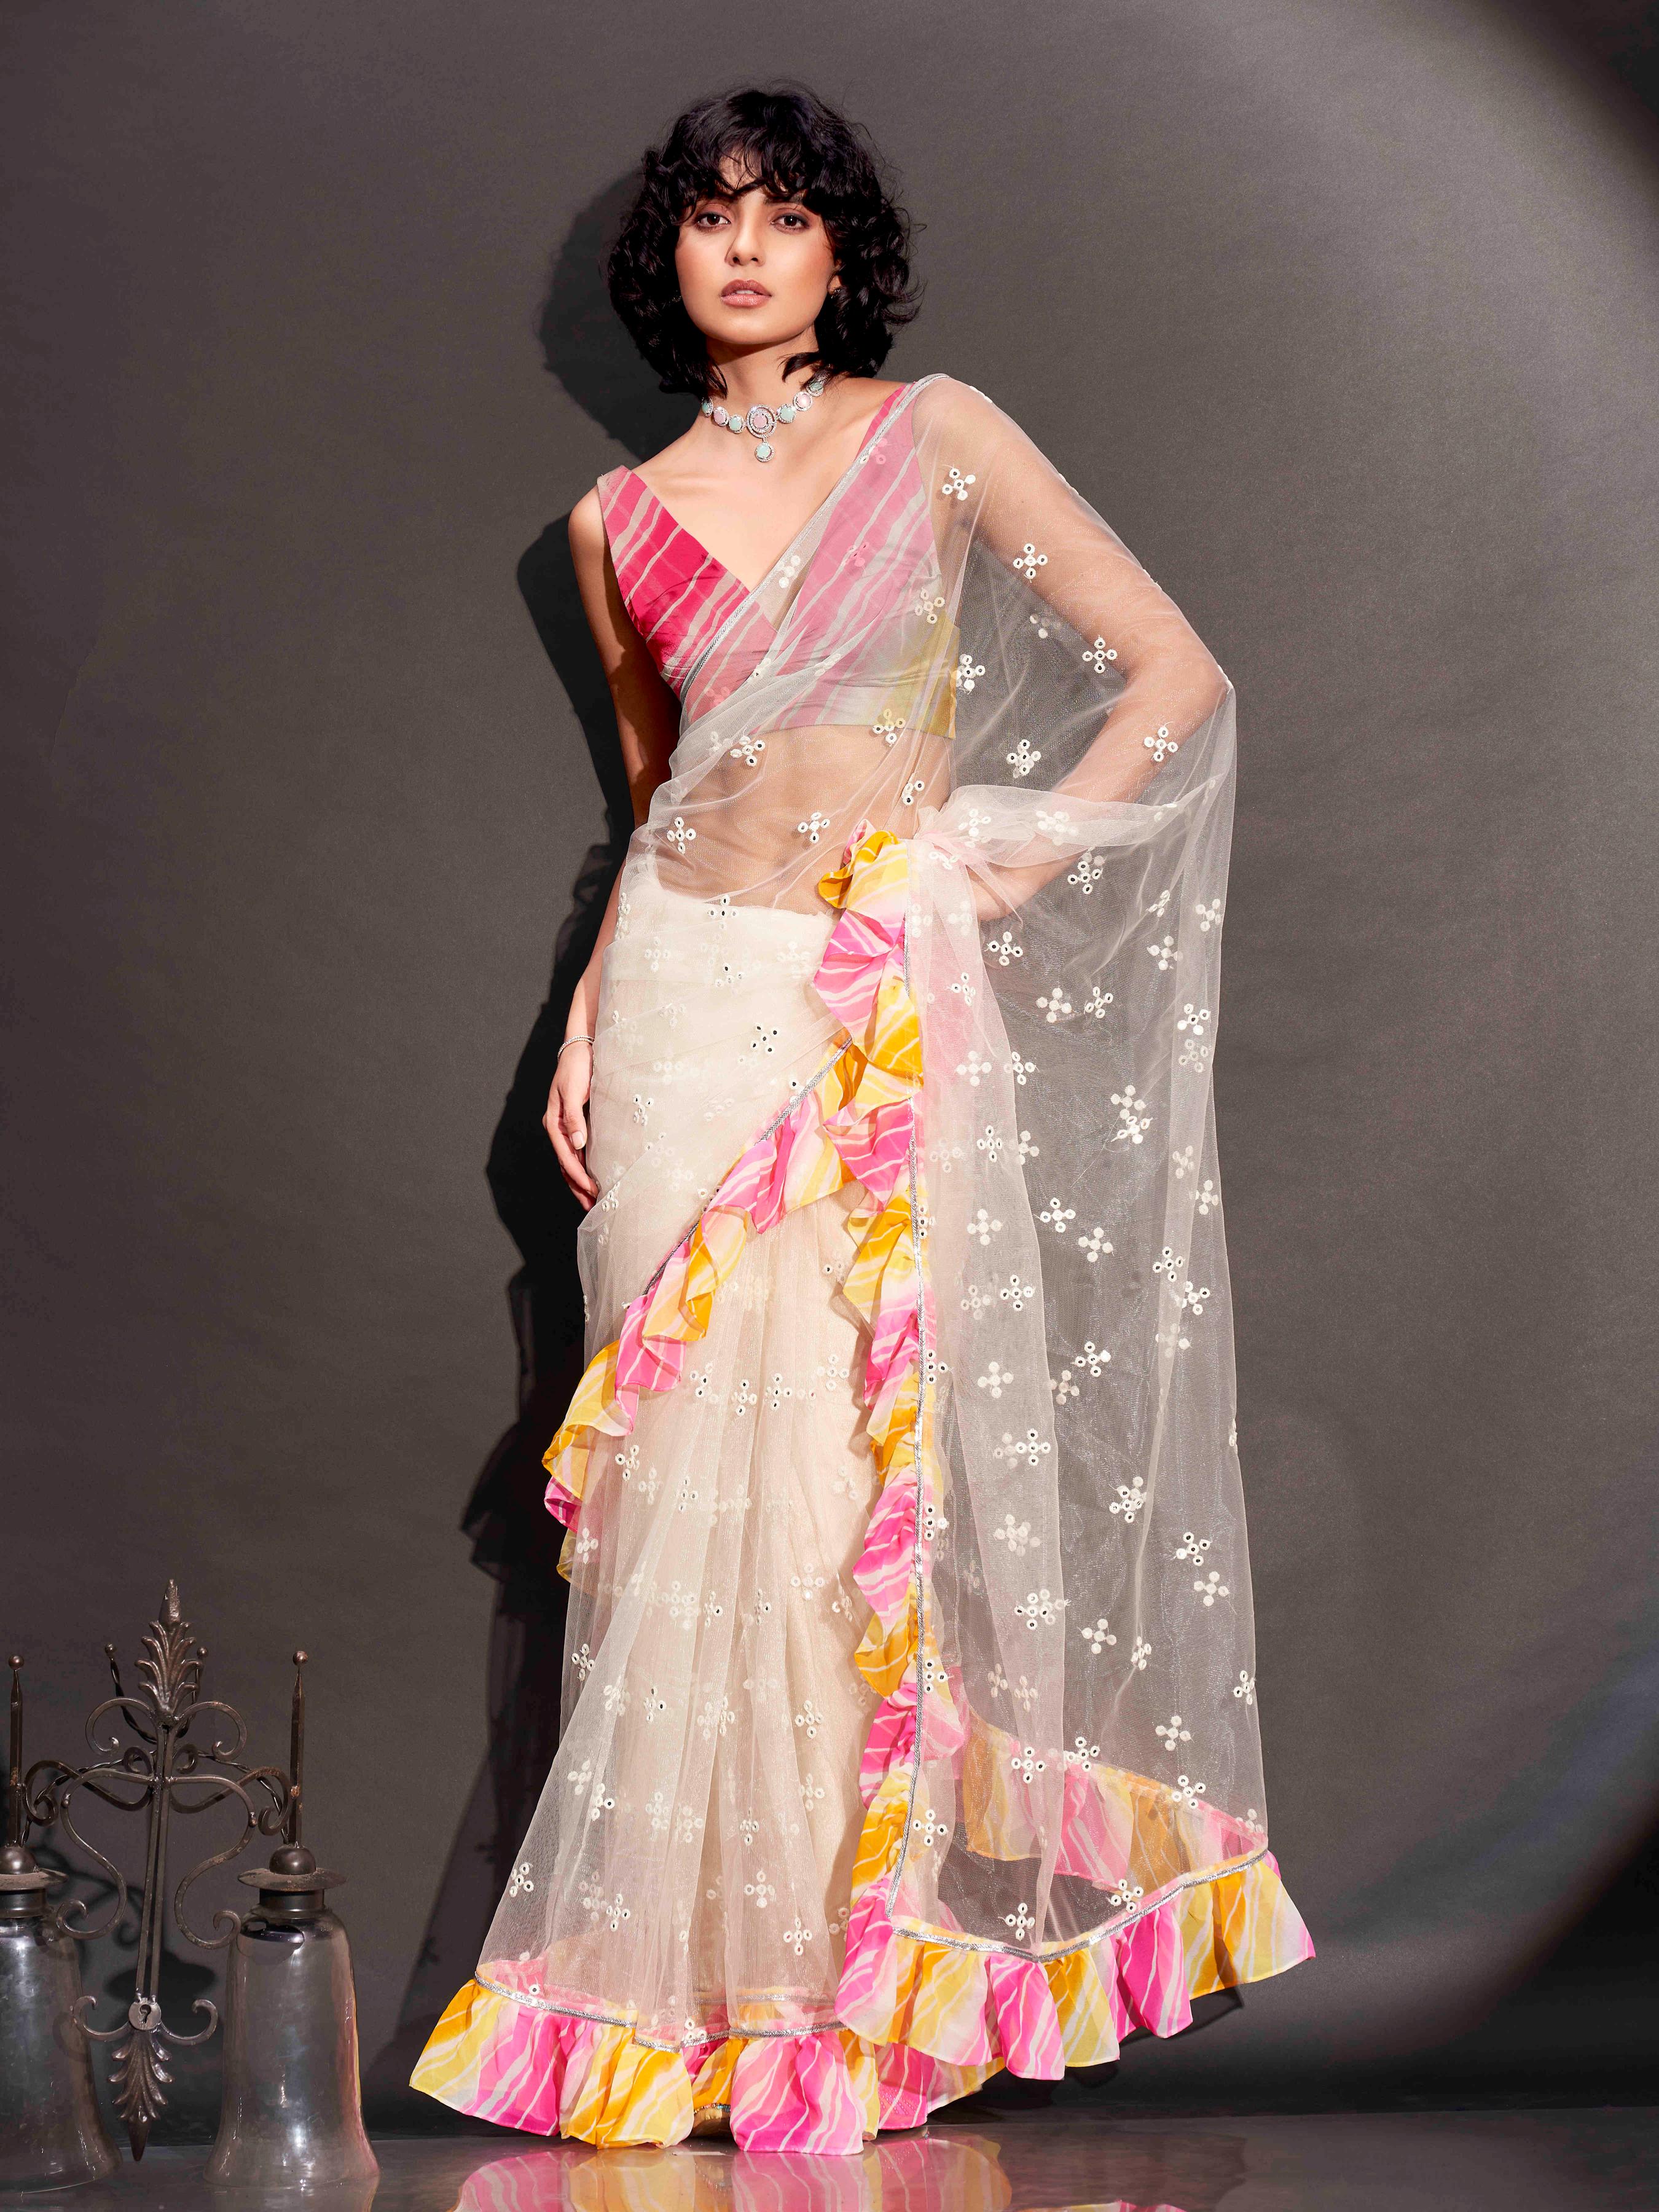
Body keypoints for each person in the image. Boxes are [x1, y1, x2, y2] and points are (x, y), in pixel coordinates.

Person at [412, 82, 1312, 2155]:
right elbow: (657, 796)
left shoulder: (935, 434)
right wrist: (585, 1010)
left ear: (840, 252)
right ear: (671, 257)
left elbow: (1171, 671)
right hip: (675, 999)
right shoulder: (611, 523)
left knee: (829, 1496)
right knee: (676, 1504)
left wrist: (1001, 859)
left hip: (856, 998)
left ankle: (830, 2001)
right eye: (711, 216)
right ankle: (684, 2009)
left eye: (787, 213)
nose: (746, 247)